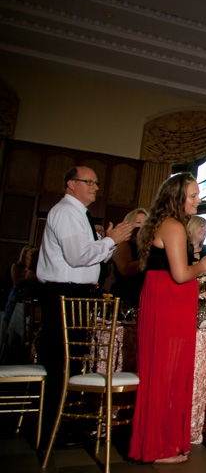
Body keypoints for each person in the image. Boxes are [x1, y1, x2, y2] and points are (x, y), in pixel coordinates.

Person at [129, 173, 206, 464]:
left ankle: (156, 444)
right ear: (176, 197)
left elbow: (176, 269)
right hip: (169, 302)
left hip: (162, 298)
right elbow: (180, 274)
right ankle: (158, 448)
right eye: (192, 195)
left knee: (161, 374)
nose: (198, 200)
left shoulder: (163, 223)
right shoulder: (174, 226)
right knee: (167, 375)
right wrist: (203, 264)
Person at [36, 166, 133, 444]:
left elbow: (92, 258)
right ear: (70, 183)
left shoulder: (79, 213)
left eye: (96, 182)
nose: (95, 187)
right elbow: (78, 257)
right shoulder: (67, 212)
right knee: (61, 362)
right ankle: (52, 428)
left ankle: (66, 421)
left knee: (73, 361)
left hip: (76, 295)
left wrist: (108, 243)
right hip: (64, 294)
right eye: (88, 182)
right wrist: (109, 241)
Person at [1, 244, 38, 362]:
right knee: (11, 325)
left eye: (34, 252)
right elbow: (16, 281)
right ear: (25, 253)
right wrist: (30, 278)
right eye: (31, 252)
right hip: (17, 298)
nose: (33, 254)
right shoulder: (17, 266)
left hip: (29, 298)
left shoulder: (36, 268)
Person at [110, 208, 148, 309]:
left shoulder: (147, 247)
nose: (142, 226)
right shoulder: (124, 245)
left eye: (145, 223)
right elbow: (125, 270)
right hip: (126, 296)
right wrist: (148, 259)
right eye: (138, 222)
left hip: (143, 296)